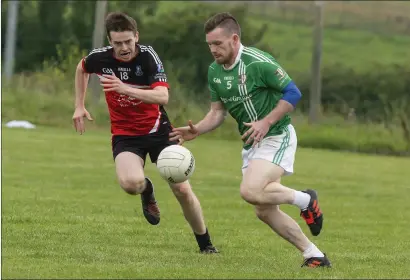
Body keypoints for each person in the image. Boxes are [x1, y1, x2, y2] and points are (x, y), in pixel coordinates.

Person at [170, 12, 331, 267]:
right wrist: (198, 129)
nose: (213, 49)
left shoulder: (258, 62)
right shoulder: (215, 71)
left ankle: (306, 200)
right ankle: (314, 255)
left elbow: (293, 93)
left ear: (234, 39)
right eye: (209, 44)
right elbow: (217, 112)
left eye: (218, 44)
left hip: (277, 135)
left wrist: (266, 121)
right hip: (252, 144)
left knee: (251, 191)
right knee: (264, 210)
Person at [72, 12, 218, 254]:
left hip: (159, 130)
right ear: (110, 41)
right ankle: (146, 189)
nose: (124, 47)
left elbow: (163, 96)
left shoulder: (148, 57)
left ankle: (206, 245)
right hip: (125, 135)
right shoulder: (101, 59)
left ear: (136, 36)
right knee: (130, 184)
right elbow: (82, 67)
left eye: (128, 41)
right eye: (118, 43)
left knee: (182, 189)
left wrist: (124, 88)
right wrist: (79, 104)